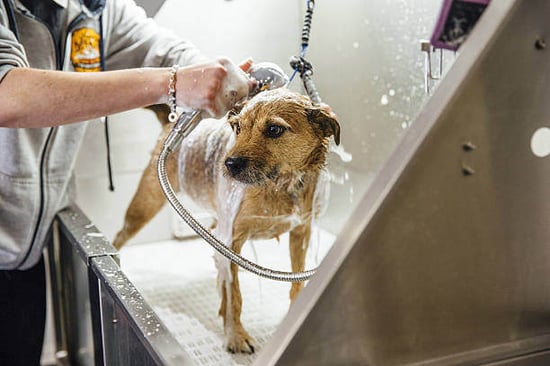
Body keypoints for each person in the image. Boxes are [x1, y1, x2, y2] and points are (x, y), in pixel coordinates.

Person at [0, 0, 255, 364]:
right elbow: (7, 94)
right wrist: (171, 84)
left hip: (23, 255)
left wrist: (224, 79)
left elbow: (168, 53)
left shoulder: (97, 10)